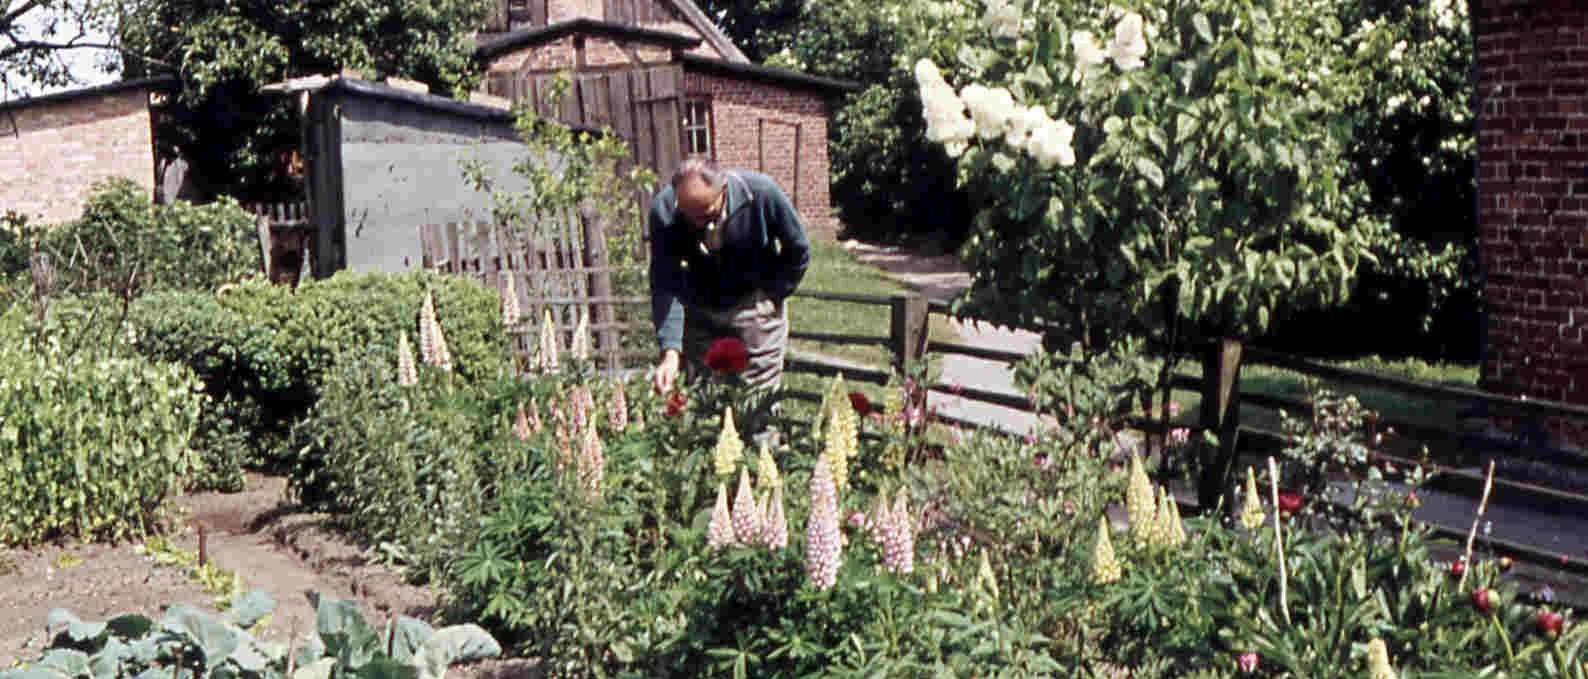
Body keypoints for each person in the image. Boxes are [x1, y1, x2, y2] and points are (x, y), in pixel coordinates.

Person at [649, 156, 810, 395]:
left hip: (754, 311)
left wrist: (772, 296)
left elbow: (797, 248)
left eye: (705, 214)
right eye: (688, 215)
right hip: (699, 313)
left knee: (757, 403)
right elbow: (665, 279)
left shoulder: (761, 193)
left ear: (723, 190)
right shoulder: (664, 209)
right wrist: (671, 352)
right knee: (705, 402)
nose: (696, 223)